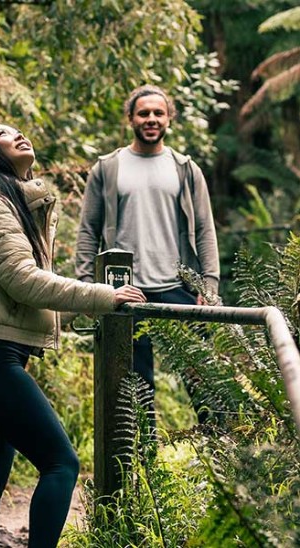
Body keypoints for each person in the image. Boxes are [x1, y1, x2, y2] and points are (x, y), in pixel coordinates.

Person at [0, 122, 147, 548]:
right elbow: (23, 280)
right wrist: (103, 296)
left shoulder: (9, 203)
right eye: (1, 133)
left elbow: (21, 296)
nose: (16, 134)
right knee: (61, 463)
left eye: (18, 130)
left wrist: (83, 310)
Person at [75, 85, 221, 418]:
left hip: (178, 287)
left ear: (169, 118)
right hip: (125, 291)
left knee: (206, 380)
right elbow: (88, 231)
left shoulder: (185, 169)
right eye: (144, 113)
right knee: (135, 391)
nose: (151, 119)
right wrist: (86, 287)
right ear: (131, 119)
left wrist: (208, 286)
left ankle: (219, 450)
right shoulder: (107, 168)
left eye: (158, 113)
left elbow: (205, 230)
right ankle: (141, 461)